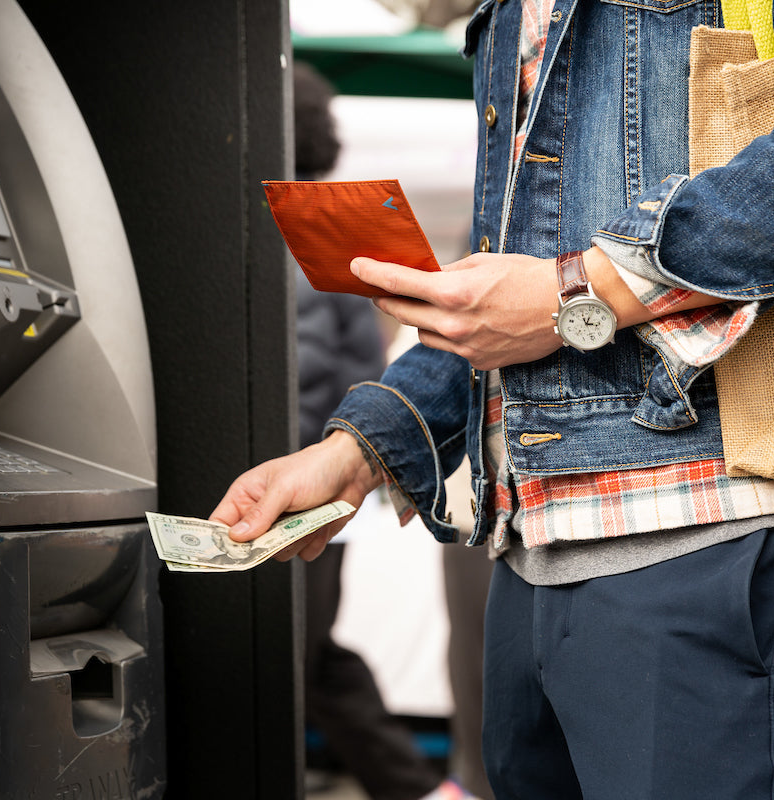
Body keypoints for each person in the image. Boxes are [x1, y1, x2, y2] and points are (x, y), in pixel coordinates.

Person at [223, 4, 774, 798]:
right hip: (532, 546)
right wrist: (358, 451)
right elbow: (518, 279)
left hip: (718, 520)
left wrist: (578, 291)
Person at [291, 61, 475, 800]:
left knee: (302, 663)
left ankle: (422, 790)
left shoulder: (290, 230)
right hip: (330, 483)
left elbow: (324, 370)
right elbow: (361, 360)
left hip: (309, 487)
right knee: (314, 661)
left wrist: (327, 454)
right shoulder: (328, 233)